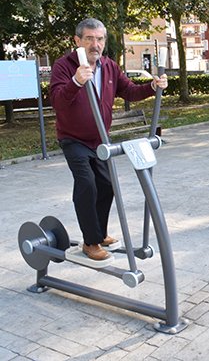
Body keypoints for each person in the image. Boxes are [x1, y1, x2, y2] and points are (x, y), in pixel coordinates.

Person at [50, 18, 168, 261]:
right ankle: (90, 242)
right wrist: (76, 81)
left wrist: (152, 87)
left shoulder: (109, 66)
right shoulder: (64, 66)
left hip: (100, 140)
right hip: (73, 139)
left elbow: (129, 91)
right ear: (77, 41)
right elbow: (58, 102)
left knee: (107, 185)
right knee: (87, 185)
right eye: (89, 39)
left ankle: (100, 233)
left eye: (100, 39)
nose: (96, 44)